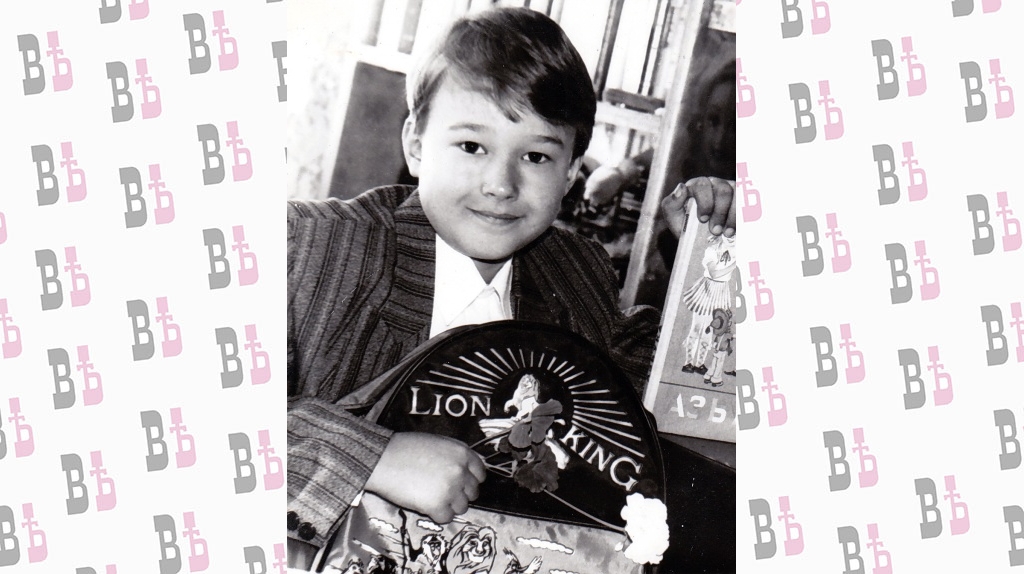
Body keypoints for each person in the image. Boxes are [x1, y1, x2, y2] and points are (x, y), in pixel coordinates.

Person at [286, 6, 735, 566]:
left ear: (570, 174)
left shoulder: (574, 274)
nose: (501, 184)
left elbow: (660, 400)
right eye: (472, 146)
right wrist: (372, 458)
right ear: (417, 144)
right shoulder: (313, 248)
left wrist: (707, 256)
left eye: (536, 156)